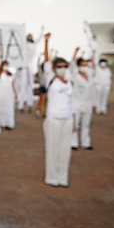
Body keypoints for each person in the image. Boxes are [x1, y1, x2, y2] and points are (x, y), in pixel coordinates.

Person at [42, 35, 75, 188]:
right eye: (59, 66)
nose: (62, 68)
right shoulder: (50, 78)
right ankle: (51, 176)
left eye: (64, 66)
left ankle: (63, 176)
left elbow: (71, 102)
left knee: (65, 150)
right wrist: (46, 41)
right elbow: (48, 60)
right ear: (55, 68)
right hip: (53, 119)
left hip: (67, 119)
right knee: (52, 148)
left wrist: (73, 120)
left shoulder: (69, 81)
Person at [70, 48, 95, 150]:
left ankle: (86, 143)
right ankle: (73, 143)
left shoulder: (90, 76)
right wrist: (75, 52)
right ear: (78, 66)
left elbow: (92, 92)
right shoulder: (75, 76)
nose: (85, 67)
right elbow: (72, 65)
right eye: (83, 65)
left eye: (86, 65)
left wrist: (94, 104)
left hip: (88, 103)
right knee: (75, 124)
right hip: (77, 103)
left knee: (86, 124)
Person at [17, 26, 44, 113]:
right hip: (24, 64)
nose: (30, 37)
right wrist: (22, 28)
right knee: (23, 84)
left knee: (30, 85)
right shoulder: (24, 44)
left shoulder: (33, 44)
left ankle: (30, 104)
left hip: (30, 64)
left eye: (31, 36)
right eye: (28, 36)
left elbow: (39, 39)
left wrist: (42, 30)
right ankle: (20, 105)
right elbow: (19, 38)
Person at [0, 50, 17, 130]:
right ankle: (0, 123)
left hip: (9, 94)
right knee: (0, 108)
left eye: (7, 65)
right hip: (0, 93)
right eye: (4, 65)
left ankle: (9, 124)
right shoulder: (0, 74)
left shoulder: (11, 75)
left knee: (9, 108)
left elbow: (13, 85)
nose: (5, 66)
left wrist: (15, 93)